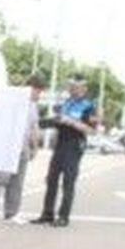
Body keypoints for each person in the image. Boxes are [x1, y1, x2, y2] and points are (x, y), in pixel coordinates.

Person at [32, 76, 98, 226]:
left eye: (75, 87)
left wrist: (72, 122)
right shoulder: (66, 103)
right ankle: (47, 214)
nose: (72, 89)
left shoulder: (89, 106)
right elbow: (59, 121)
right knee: (51, 179)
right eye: (70, 86)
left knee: (68, 181)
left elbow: (92, 131)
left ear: (83, 88)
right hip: (60, 144)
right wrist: (49, 122)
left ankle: (63, 217)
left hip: (74, 145)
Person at [0, 75, 44, 223]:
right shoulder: (12, 101)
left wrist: (34, 147)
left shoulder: (33, 106)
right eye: (38, 91)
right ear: (29, 89)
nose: (39, 95)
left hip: (23, 146)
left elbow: (34, 127)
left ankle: (12, 213)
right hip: (7, 144)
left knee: (17, 182)